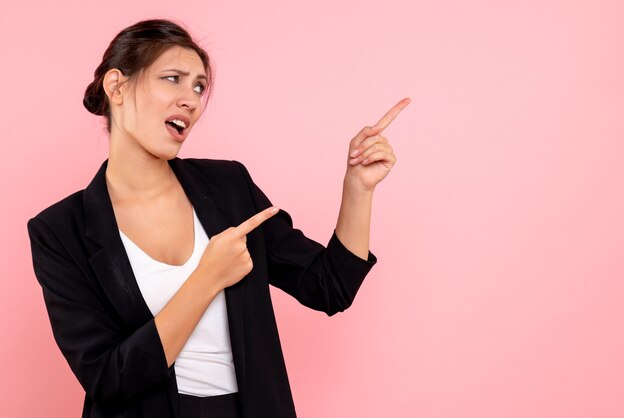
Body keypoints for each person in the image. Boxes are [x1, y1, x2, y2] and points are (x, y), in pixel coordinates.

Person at [27, 18, 409, 418]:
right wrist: (207, 278)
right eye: (172, 78)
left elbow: (329, 287)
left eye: (198, 86)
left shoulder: (229, 187)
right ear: (117, 86)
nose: (191, 100)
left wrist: (359, 189)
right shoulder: (59, 231)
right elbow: (108, 378)